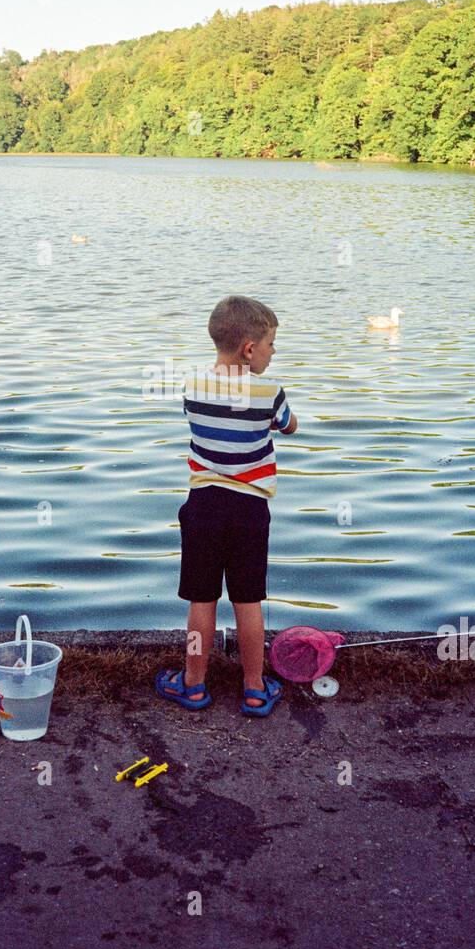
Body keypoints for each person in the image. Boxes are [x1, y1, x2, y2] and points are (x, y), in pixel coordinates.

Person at [156, 295, 298, 717]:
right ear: (250, 349)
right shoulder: (270, 392)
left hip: (203, 507)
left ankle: (193, 684)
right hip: (250, 511)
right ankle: (254, 688)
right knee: (248, 601)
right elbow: (289, 425)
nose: (274, 354)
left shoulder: (193, 386)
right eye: (271, 345)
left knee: (201, 600)